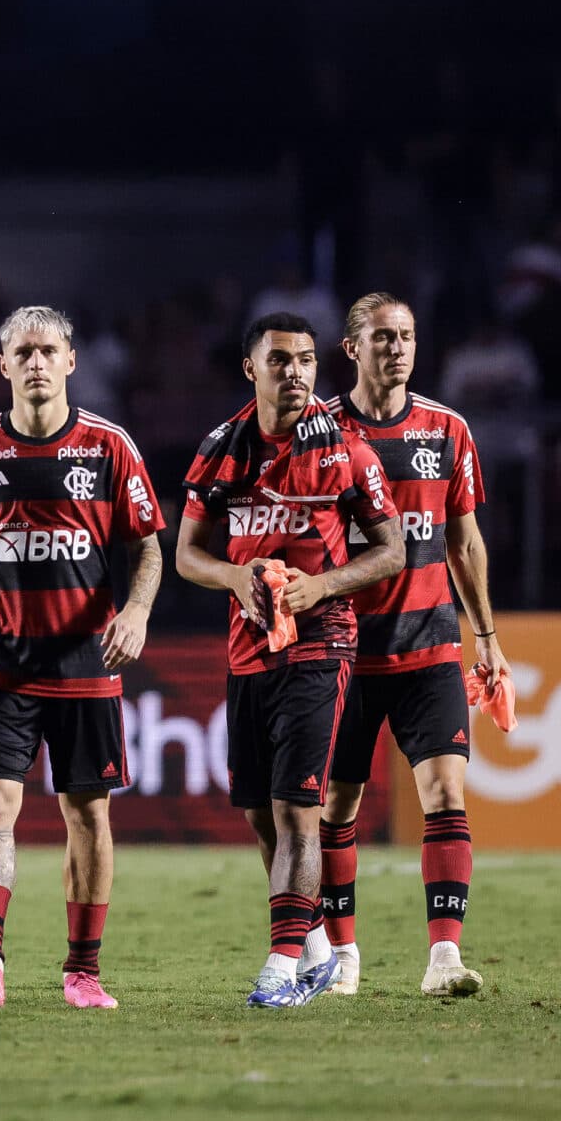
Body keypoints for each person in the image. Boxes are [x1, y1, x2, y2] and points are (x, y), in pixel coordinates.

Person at [0, 306, 164, 1011]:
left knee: (87, 814)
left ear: (70, 362)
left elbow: (148, 544)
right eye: (22, 352)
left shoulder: (108, 446)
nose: (35, 361)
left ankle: (83, 971)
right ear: (2, 366)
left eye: (48, 350)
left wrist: (140, 610)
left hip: (87, 662)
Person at [175, 313, 405, 1008]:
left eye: (306, 359)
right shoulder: (221, 451)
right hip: (249, 651)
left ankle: (279, 968)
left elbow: (391, 549)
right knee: (257, 812)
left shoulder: (345, 453)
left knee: (297, 808)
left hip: (323, 643)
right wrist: (235, 578)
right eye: (281, 360)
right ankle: (314, 945)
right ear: (253, 369)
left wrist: (322, 586)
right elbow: (187, 553)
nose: (297, 372)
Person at [319, 293, 501, 996]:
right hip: (341, 652)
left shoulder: (447, 429)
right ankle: (343, 955)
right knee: (337, 805)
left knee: (445, 792)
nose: (397, 347)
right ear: (352, 348)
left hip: (429, 644)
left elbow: (464, 541)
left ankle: (444, 958)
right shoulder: (320, 431)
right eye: (382, 337)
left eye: (406, 336)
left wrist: (485, 636)